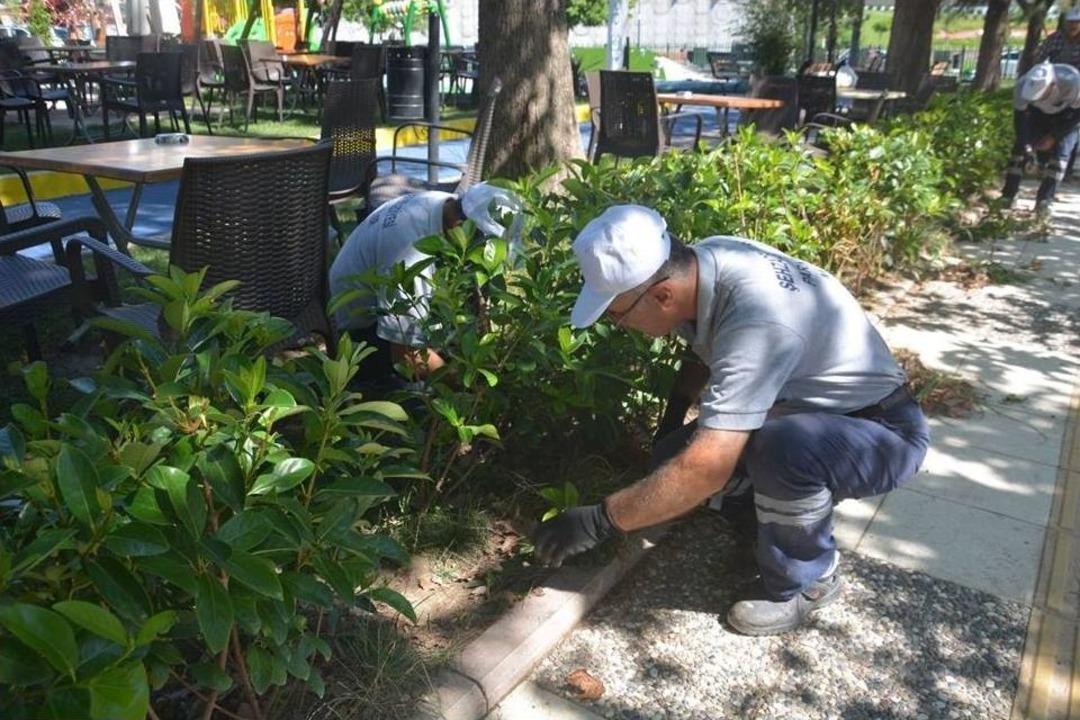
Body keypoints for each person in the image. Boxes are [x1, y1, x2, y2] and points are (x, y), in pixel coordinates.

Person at [531, 205, 930, 636]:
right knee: (671, 457)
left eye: (618, 314)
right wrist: (672, 419)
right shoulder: (707, 262)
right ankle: (766, 524)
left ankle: (809, 578)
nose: (620, 325)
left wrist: (600, 520)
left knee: (780, 451)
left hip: (880, 433)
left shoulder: (757, 321)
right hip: (810, 413)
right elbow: (702, 346)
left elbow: (707, 469)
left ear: (661, 295)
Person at [329, 183, 522, 383]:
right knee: (412, 396)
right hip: (359, 332)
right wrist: (468, 388)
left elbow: (476, 296)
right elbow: (406, 357)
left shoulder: (451, 207)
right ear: (459, 227)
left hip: (386, 302)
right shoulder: (411, 255)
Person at [1000, 60, 1080, 219]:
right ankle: (1008, 195)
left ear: (1052, 84)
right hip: (1037, 115)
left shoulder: (1073, 82)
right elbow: (1020, 119)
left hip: (1068, 115)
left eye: (1041, 94)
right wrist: (1027, 145)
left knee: (1060, 157)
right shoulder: (1022, 86)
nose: (1039, 97)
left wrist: (1054, 136)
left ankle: (1045, 201)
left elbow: (1076, 117)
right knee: (1019, 152)